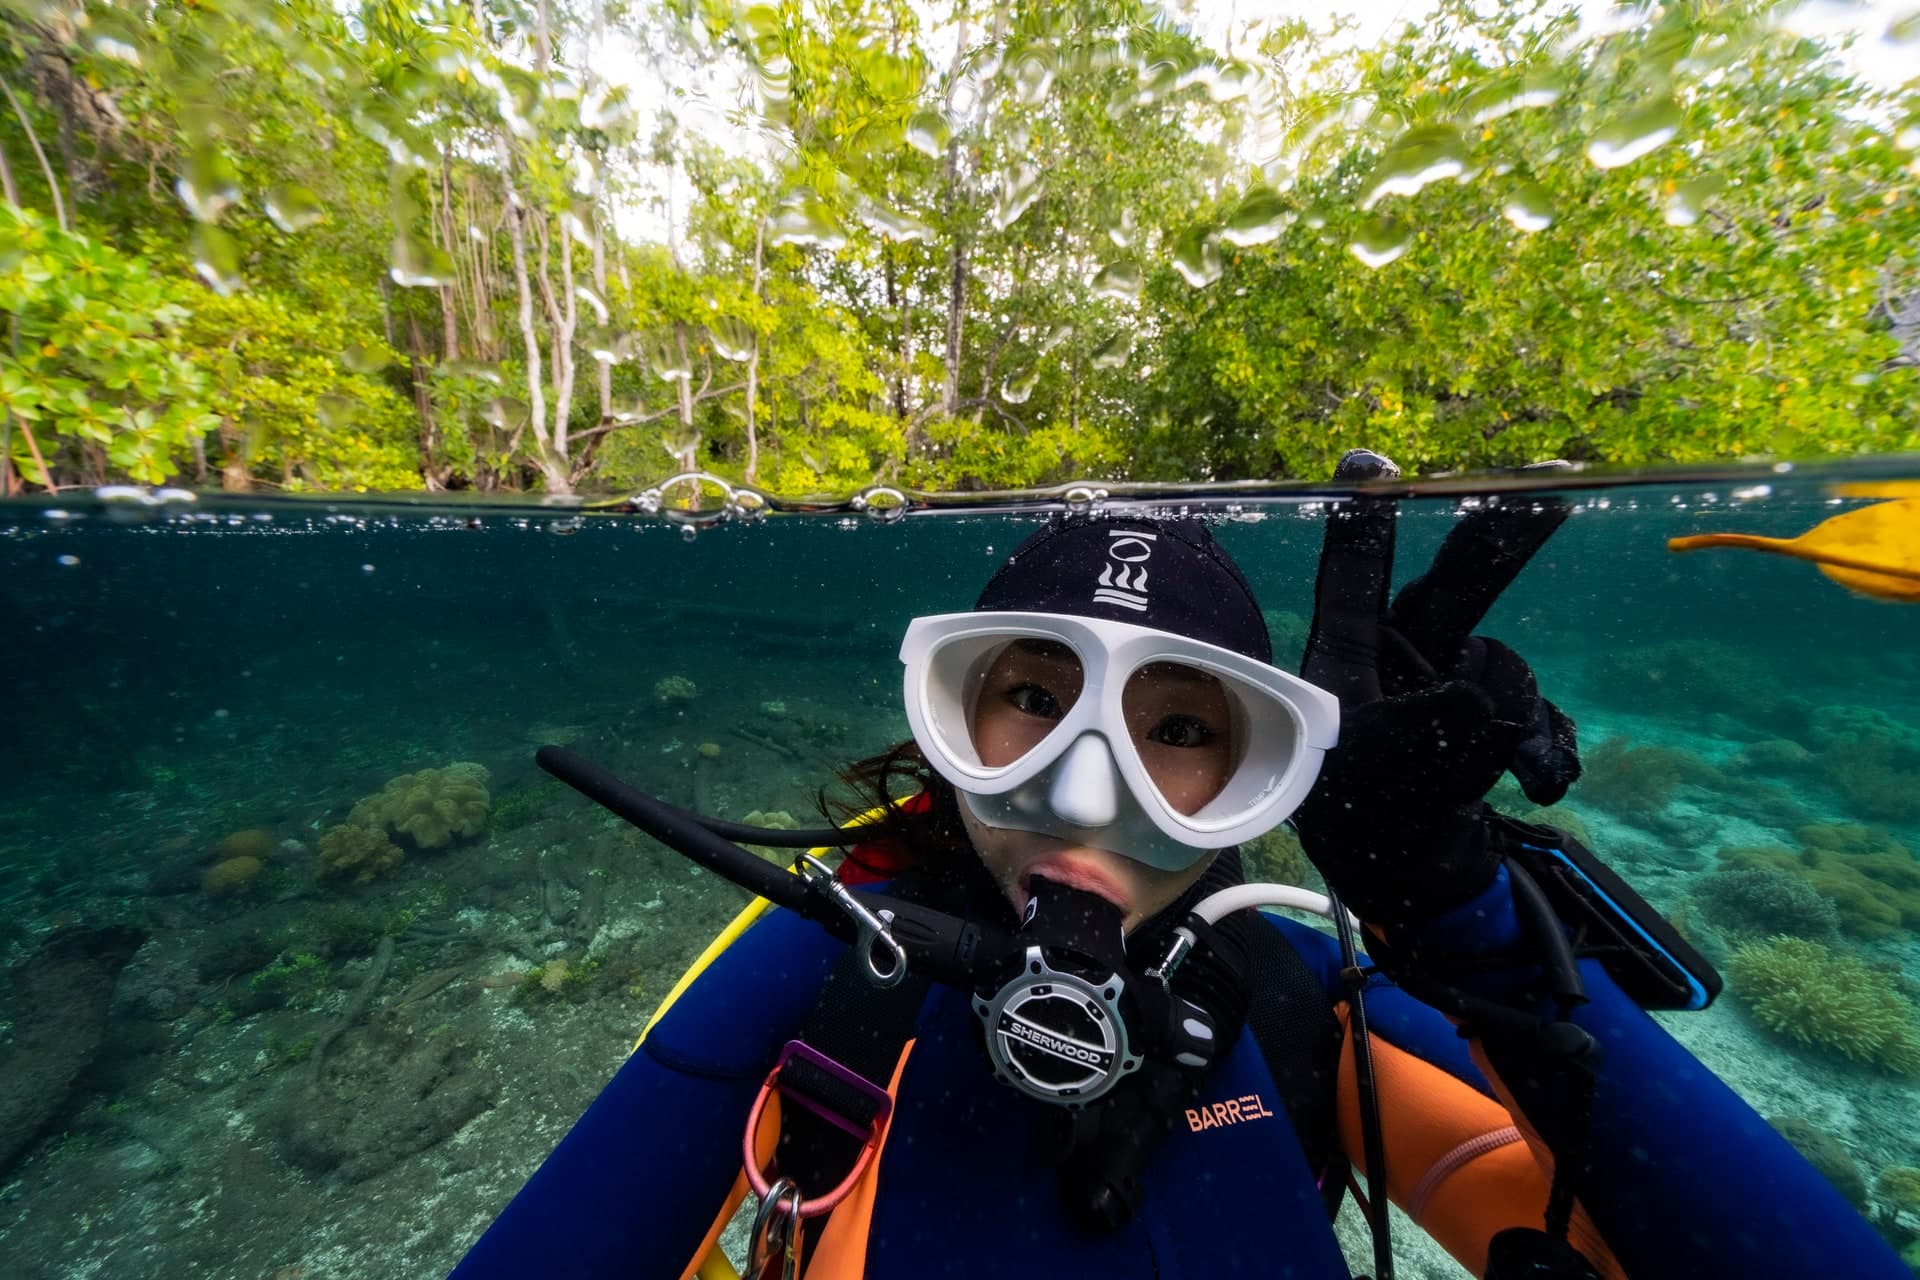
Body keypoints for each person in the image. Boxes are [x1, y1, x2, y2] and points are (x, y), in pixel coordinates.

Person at [452, 452, 1906, 1279]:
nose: (1089, 788)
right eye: (1031, 696)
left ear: (1266, 777)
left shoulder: (1285, 983)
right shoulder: (823, 973)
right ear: (951, 717)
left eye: (1185, 730)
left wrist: (1456, 916)